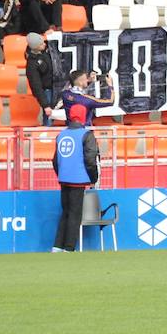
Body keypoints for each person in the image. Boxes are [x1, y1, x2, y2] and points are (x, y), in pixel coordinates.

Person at [51, 83, 107, 253]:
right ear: (83, 117)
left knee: (65, 213)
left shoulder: (61, 134)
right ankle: (69, 248)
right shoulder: (86, 135)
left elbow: (55, 160)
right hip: (78, 179)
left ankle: (57, 246)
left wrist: (61, 174)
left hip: (64, 179)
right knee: (75, 214)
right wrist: (93, 178)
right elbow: (90, 159)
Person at [24, 33, 55, 125]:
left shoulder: (48, 50)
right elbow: (36, 85)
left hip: (56, 86)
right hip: (47, 90)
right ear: (35, 47)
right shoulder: (32, 64)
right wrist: (45, 105)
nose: (44, 44)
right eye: (41, 44)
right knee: (49, 116)